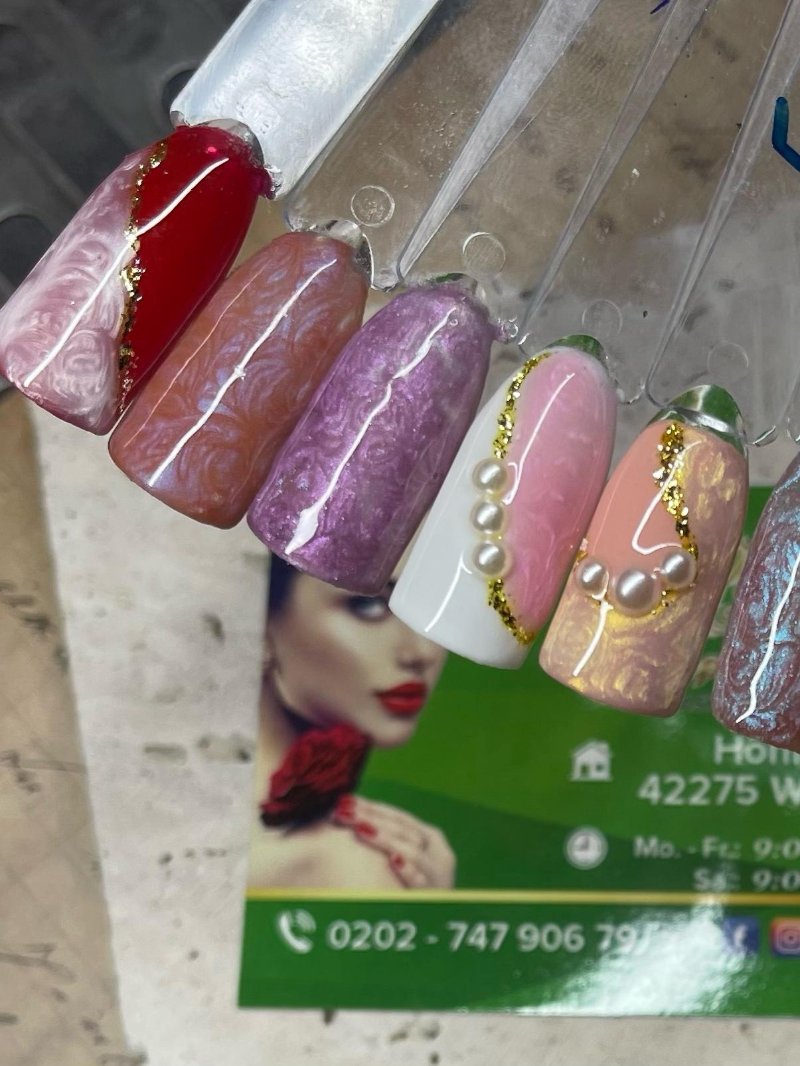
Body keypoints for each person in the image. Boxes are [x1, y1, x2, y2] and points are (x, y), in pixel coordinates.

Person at [247, 555, 454, 890]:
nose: (421, 652)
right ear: (262, 620)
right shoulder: (346, 862)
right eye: (368, 606)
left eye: (432, 607)